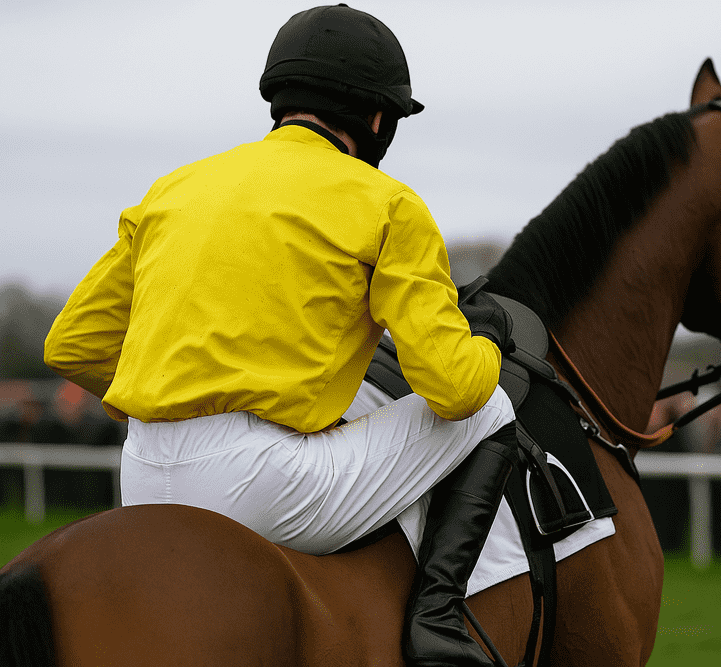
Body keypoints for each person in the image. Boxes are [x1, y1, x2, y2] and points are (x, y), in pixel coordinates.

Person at [44, 6, 518, 665]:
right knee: (493, 405)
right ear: (377, 119)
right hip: (262, 488)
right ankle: (436, 620)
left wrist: (167, 398)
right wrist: (485, 343)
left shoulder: (173, 189)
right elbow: (455, 389)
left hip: (144, 476)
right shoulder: (388, 203)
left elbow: (71, 345)